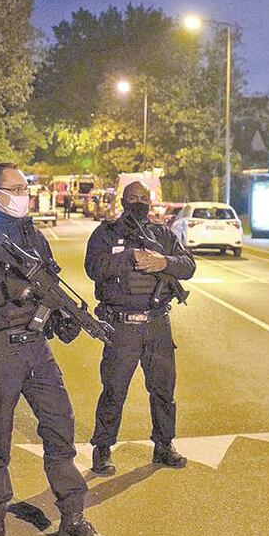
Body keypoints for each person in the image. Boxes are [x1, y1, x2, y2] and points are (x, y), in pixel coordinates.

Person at [0, 163, 110, 536]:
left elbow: (48, 292)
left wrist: (64, 319)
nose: (24, 193)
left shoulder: (34, 238)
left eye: (25, 187)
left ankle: (72, 517)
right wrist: (7, 288)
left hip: (37, 350)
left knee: (60, 430)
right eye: (15, 187)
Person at [85, 181, 196, 475]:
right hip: (122, 327)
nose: (138, 202)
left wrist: (163, 262)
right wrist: (129, 258)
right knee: (114, 390)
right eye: (132, 198)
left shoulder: (161, 234)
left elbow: (188, 266)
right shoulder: (106, 233)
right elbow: (93, 268)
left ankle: (164, 445)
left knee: (163, 389)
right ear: (122, 200)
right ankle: (103, 448)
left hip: (158, 324)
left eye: (143, 198)